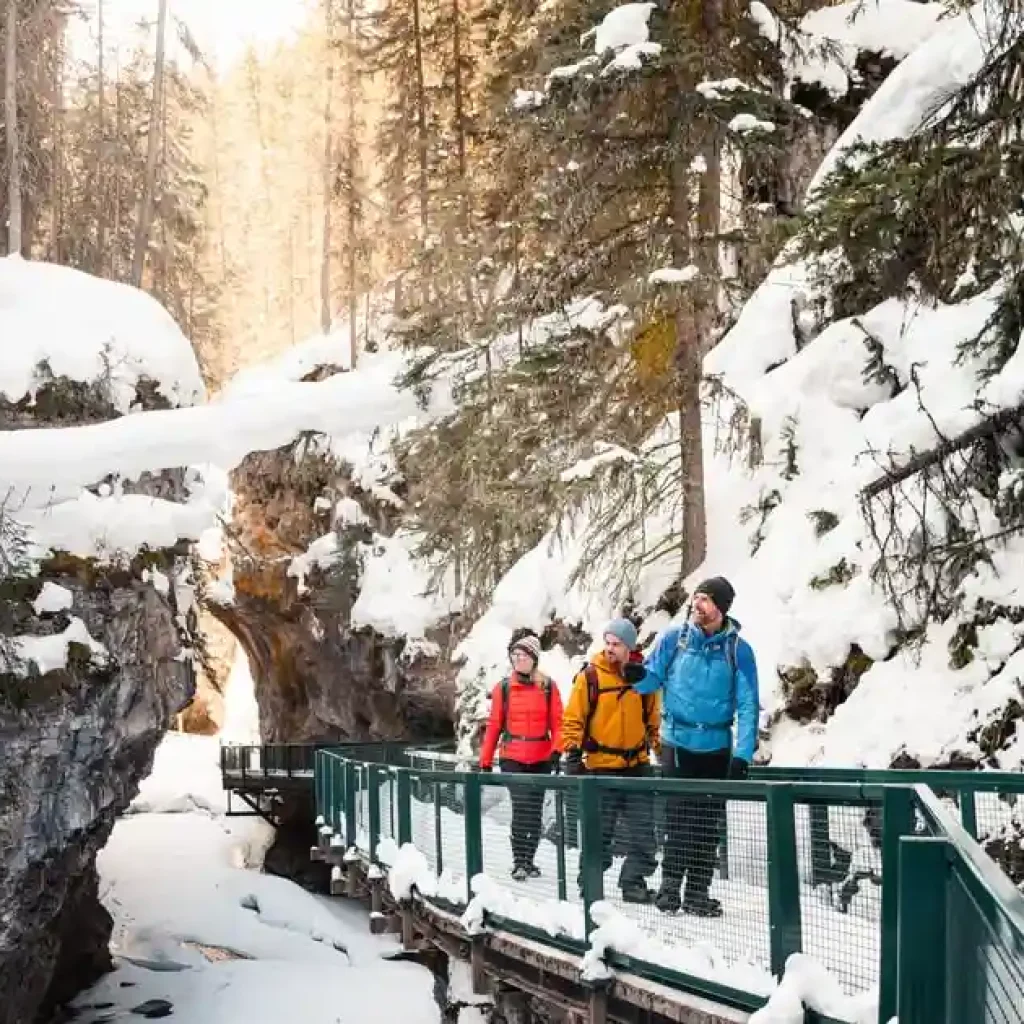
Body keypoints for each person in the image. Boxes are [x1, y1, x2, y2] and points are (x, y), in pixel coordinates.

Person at [631, 576, 759, 916]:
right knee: (679, 820)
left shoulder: (738, 651)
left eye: (704, 599)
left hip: (716, 745)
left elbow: (748, 705)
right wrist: (635, 676)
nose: (696, 604)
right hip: (677, 741)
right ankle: (670, 889)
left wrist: (742, 756)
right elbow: (652, 678)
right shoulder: (674, 639)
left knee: (708, 823)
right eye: (696, 598)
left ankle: (698, 893)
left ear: (720, 607)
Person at [560, 618, 660, 904]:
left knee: (643, 833)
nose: (610, 649)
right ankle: (589, 883)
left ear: (630, 647)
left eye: (616, 644)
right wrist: (572, 751)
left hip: (637, 766)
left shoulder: (643, 679)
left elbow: (653, 720)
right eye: (608, 642)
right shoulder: (590, 677)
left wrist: (661, 751)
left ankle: (633, 883)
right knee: (598, 833)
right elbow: (573, 718)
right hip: (600, 767)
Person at [479, 630, 563, 882]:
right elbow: (494, 725)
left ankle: (529, 859)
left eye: (523, 655)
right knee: (522, 807)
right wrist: (485, 760)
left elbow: (558, 722)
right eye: (514, 655)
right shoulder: (503, 688)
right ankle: (519, 861)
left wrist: (557, 749)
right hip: (512, 756)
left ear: (534, 658)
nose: (518, 660)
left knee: (534, 810)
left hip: (541, 756)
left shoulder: (548, 687)